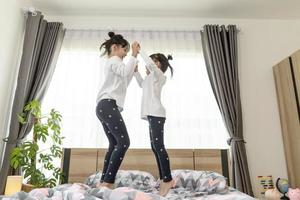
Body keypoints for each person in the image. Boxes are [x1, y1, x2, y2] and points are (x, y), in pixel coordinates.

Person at [95, 32, 140, 189]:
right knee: (124, 142)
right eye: (124, 50)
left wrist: (133, 69)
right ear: (115, 48)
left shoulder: (115, 63)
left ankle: (103, 181)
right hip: (108, 104)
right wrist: (134, 55)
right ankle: (108, 182)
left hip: (104, 105)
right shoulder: (114, 59)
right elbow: (124, 72)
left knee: (114, 144)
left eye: (128, 52)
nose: (126, 54)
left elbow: (123, 82)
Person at [134, 49, 175, 196]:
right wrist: (135, 72)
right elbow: (141, 84)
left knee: (159, 146)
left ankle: (168, 179)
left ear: (158, 64)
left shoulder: (159, 75)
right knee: (155, 147)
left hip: (157, 114)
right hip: (152, 115)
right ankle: (163, 178)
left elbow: (150, 65)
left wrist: (140, 51)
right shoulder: (150, 79)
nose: (148, 65)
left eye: (152, 62)